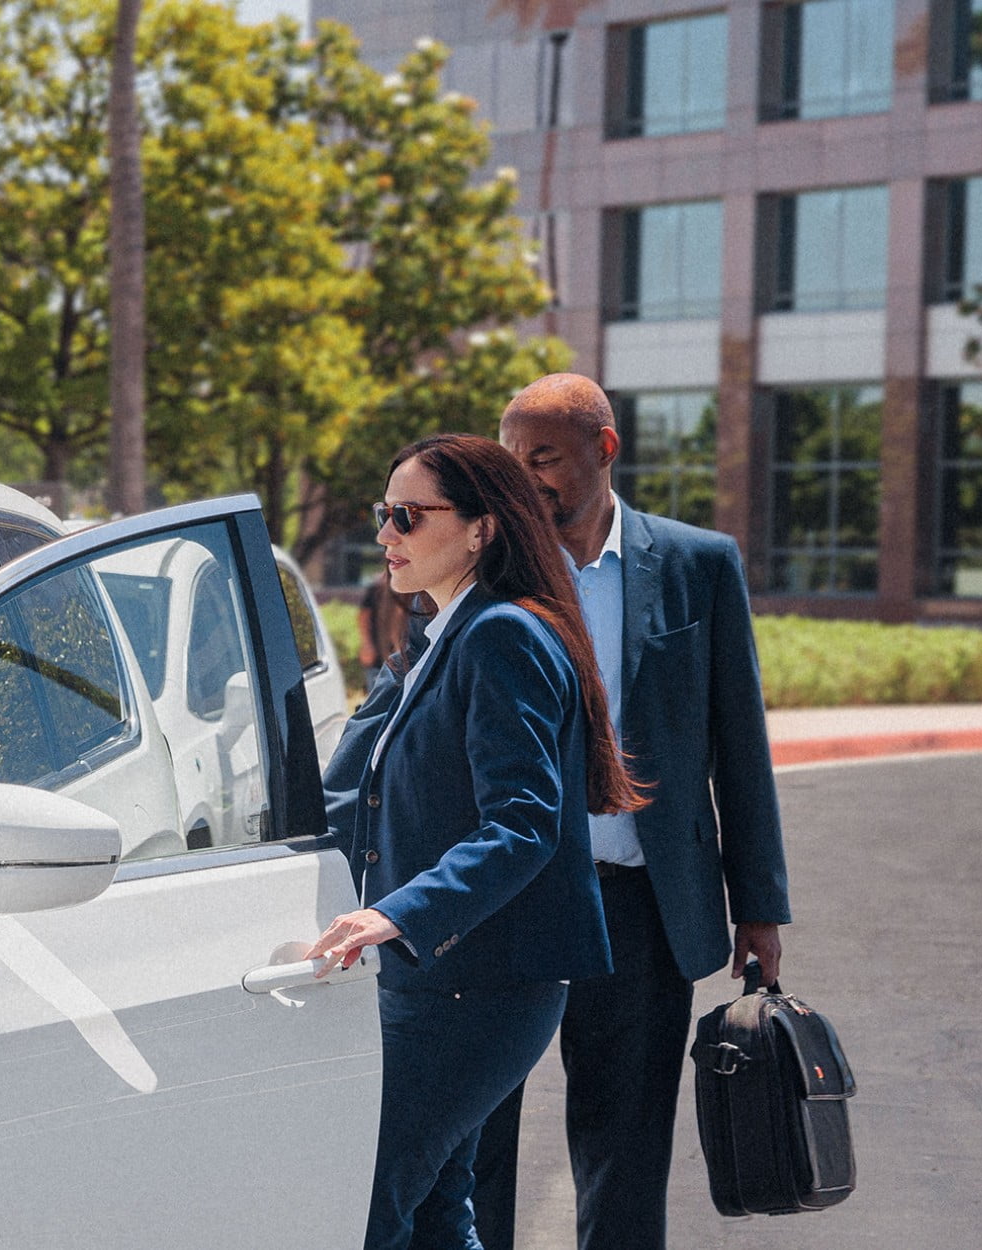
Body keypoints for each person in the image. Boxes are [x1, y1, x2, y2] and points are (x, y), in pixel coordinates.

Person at [457, 375, 793, 1250]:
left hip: (640, 908)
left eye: (546, 460)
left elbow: (738, 741)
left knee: (625, 1152)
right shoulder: (480, 569)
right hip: (504, 906)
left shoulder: (697, 565)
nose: (528, 482)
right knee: (477, 1146)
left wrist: (757, 902)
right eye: (513, 462)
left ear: (604, 451)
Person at [306, 432, 645, 1250]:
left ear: (481, 529)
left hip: (478, 989)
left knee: (365, 1205)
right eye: (381, 514)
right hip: (438, 982)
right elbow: (352, 795)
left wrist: (396, 914)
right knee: (431, 1214)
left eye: (406, 516)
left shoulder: (503, 636)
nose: (384, 534)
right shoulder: (440, 637)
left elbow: (525, 821)